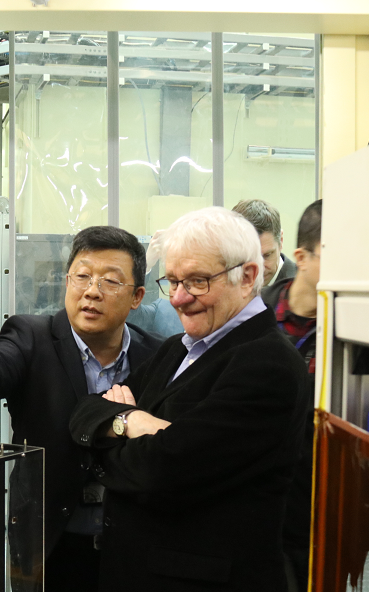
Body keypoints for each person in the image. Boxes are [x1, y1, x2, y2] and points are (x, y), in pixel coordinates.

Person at [69, 207, 311, 592]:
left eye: (198, 281)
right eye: (173, 281)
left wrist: (114, 435)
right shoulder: (177, 349)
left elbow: (160, 472)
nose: (179, 298)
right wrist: (131, 421)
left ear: (248, 276)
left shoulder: (268, 365)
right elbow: (86, 412)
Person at [0, 226, 163, 592]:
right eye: (82, 276)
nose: (92, 291)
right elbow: (0, 359)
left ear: (137, 296)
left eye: (110, 281)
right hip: (49, 543)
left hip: (130, 543)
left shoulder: (157, 355)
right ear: (67, 281)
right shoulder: (32, 336)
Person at [262, 199, 322, 592]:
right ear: (301, 257)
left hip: (317, 507)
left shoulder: (351, 334)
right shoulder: (254, 314)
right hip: (253, 501)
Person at [233, 199, 297, 286]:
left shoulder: (306, 287)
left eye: (267, 255)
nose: (259, 268)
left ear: (281, 240)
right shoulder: (226, 285)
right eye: (250, 258)